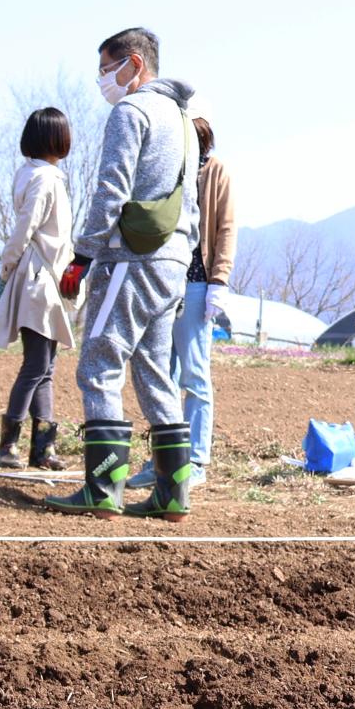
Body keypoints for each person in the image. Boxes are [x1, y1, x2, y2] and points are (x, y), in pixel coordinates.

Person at [43, 27, 199, 520]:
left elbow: (111, 187)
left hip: (128, 260)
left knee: (98, 363)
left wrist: (85, 253)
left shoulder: (130, 112)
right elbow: (189, 201)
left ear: (134, 64)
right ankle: (173, 494)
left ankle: (102, 489)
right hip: (173, 261)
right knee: (155, 371)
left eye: (107, 68)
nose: (103, 79)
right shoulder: (183, 119)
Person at [126, 100, 234, 491]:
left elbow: (225, 228)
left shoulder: (213, 170)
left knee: (194, 373)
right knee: (161, 373)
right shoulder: (169, 169)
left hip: (196, 282)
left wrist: (219, 281)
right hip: (162, 279)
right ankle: (162, 458)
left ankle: (197, 459)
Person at [0, 107, 76, 469]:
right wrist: (8, 266)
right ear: (58, 139)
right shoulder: (47, 179)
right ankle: (10, 446)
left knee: (45, 365)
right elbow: (27, 225)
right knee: (37, 364)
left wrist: (9, 270)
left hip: (36, 277)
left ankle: (44, 448)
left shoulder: (28, 174)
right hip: (40, 278)